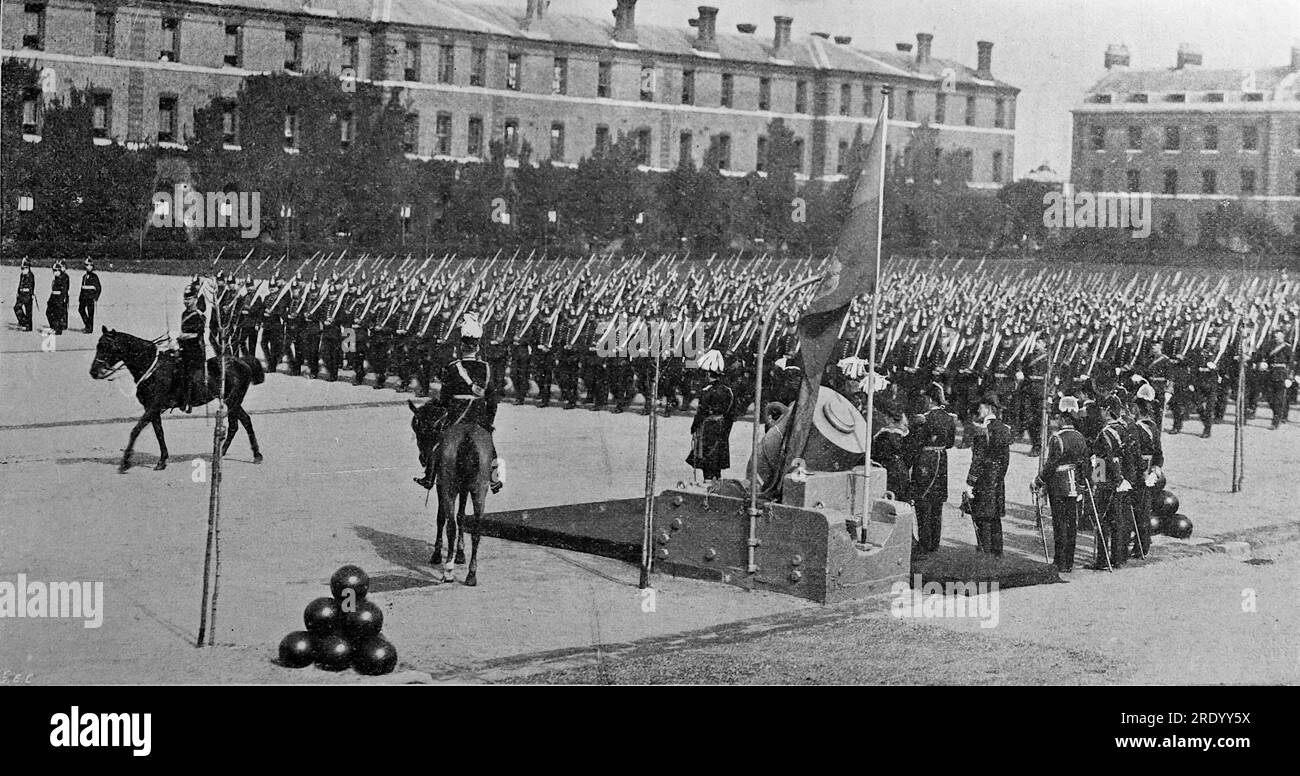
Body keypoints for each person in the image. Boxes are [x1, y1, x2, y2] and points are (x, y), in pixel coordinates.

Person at [419, 315, 504, 494]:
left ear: (461, 347)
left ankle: (429, 477)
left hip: (457, 417)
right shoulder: (486, 368)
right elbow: (493, 399)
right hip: (479, 416)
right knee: (490, 445)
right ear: (478, 347)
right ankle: (495, 479)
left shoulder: (453, 367)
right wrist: (488, 420)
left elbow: (444, 399)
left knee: (438, 445)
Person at [1034, 395, 1089, 573]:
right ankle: (1069, 561)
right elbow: (1084, 463)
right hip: (1075, 484)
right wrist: (1082, 483)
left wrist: (1039, 480)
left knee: (1059, 523)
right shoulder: (1080, 437)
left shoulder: (1057, 438)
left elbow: (1051, 465)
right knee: (1071, 524)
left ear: (1063, 418)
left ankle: (1060, 561)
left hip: (1058, 485)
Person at [909, 381, 956, 554]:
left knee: (923, 502)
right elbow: (950, 443)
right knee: (937, 504)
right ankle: (935, 544)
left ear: (930, 400)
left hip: (925, 460)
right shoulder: (949, 418)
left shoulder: (924, 419)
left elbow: (915, 443)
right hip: (942, 460)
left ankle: (924, 544)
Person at [964, 392, 1012, 559]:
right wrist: (999, 476)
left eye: (982, 406)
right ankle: (997, 552)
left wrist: (970, 482)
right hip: (998, 477)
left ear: (988, 408)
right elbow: (1006, 460)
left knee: (982, 517)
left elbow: (977, 459)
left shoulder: (981, 430)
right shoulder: (1005, 429)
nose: (979, 409)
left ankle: (984, 553)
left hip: (984, 478)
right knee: (995, 517)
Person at [1091, 395, 1133, 569]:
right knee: (1118, 521)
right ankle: (1118, 557)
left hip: (1108, 480)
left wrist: (1096, 481)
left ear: (1107, 410)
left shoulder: (1106, 433)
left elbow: (1105, 459)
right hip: (1122, 479)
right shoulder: (1124, 428)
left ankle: (1102, 560)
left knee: (1102, 521)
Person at [686, 350, 735, 483]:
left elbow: (701, 413)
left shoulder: (706, 391)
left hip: (708, 428)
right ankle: (716, 483)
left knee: (706, 459)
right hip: (722, 427)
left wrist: (694, 427)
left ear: (708, 374)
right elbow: (731, 414)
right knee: (717, 460)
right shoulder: (728, 391)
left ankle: (708, 483)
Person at [175, 285, 207, 413]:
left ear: (195, 299)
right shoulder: (184, 314)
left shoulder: (199, 315)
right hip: (184, 348)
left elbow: (197, 334)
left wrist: (182, 336)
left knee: (188, 373)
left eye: (189, 299)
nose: (186, 301)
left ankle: (188, 402)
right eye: (185, 299)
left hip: (195, 350)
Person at [78, 258, 102, 333]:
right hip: (84, 297)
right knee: (81, 310)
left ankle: (89, 329)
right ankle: (87, 325)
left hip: (90, 297)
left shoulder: (94, 276)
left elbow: (99, 288)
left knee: (90, 313)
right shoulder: (84, 276)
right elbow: (82, 288)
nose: (88, 267)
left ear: (92, 266)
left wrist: (96, 297)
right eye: (86, 265)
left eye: (90, 265)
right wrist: (80, 297)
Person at [47, 260, 70, 334]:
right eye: (53, 271)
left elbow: (64, 290)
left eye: (56, 271)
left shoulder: (63, 278)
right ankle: (53, 326)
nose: (54, 272)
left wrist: (61, 300)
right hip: (53, 297)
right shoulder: (56, 278)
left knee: (58, 314)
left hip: (59, 298)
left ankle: (58, 329)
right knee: (48, 312)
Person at [14, 257, 35, 331]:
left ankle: (28, 326)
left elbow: (32, 286)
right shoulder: (22, 275)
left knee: (28, 311)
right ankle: (24, 322)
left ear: (28, 268)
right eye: (22, 268)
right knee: (16, 307)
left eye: (24, 268)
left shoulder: (31, 275)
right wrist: (18, 292)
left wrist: (31, 294)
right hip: (21, 294)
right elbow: (20, 284)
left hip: (27, 295)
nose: (23, 270)